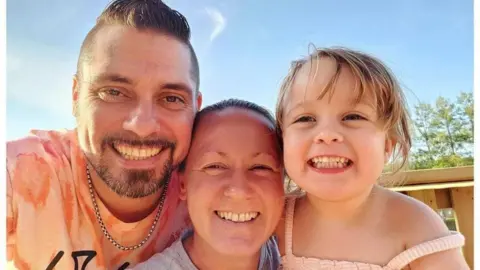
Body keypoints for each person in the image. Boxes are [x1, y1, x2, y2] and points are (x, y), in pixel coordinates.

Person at [6, 0, 202, 269]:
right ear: (76, 96)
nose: (142, 125)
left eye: (171, 98)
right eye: (113, 92)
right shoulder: (23, 173)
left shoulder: (212, 191)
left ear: (195, 108)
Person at [274, 47, 469, 269]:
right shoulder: (274, 219)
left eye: (353, 116)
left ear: (387, 145)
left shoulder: (414, 224)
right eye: (305, 118)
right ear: (282, 140)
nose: (327, 134)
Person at [131, 99, 284, 270]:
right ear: (183, 184)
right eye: (215, 166)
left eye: (260, 167)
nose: (239, 190)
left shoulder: (298, 256)